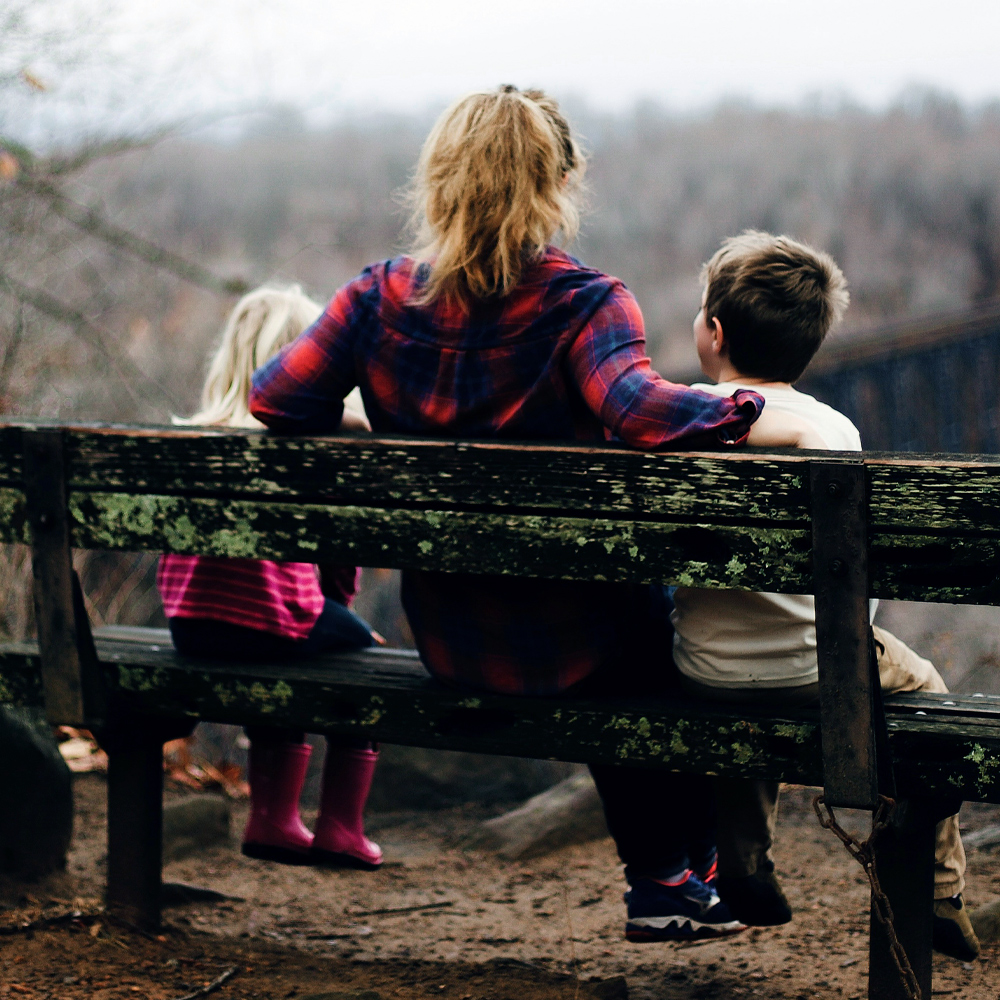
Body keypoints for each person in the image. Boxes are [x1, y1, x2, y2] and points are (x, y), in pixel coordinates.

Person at [249, 86, 822, 941]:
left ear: (438, 180)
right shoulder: (584, 303)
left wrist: (367, 420)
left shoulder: (374, 300)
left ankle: (679, 877)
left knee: (626, 627)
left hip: (450, 639)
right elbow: (637, 411)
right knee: (663, 633)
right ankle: (676, 874)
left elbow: (274, 399)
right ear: (558, 184)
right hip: (580, 645)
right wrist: (741, 411)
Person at [670, 230, 978, 959]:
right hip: (820, 668)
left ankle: (742, 862)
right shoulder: (833, 429)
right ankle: (939, 889)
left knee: (744, 682)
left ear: (713, 332)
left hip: (703, 669)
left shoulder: (675, 418)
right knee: (926, 687)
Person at [157, 285, 384, 870]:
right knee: (363, 659)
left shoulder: (192, 438)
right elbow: (335, 564)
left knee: (288, 641)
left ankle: (273, 819)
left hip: (190, 627)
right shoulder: (303, 446)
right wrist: (345, 616)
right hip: (269, 621)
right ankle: (338, 828)